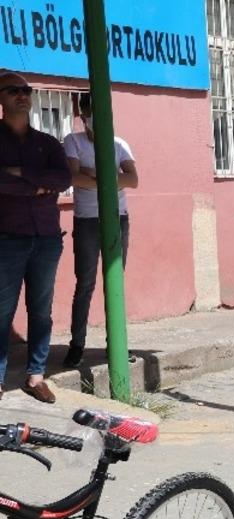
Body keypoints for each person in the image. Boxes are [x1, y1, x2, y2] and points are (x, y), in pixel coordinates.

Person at [0, 71, 71, 403]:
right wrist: (37, 184)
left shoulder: (48, 143)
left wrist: (21, 175)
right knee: (2, 310)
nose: (22, 95)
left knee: (40, 310)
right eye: (13, 90)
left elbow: (63, 179)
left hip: (46, 238)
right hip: (7, 238)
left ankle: (35, 375)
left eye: (26, 90)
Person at [62, 92, 138, 369]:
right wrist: (110, 179)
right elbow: (72, 177)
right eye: (90, 111)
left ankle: (116, 345)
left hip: (118, 218)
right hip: (87, 220)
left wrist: (92, 174)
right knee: (85, 284)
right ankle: (77, 345)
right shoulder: (73, 141)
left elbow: (133, 180)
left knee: (114, 282)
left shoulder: (119, 144)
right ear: (83, 115)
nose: (96, 116)